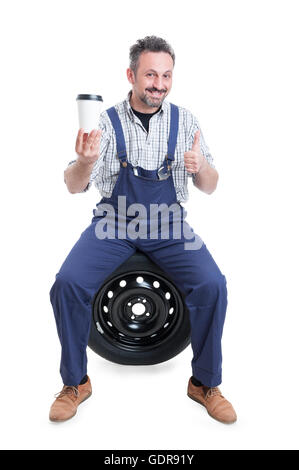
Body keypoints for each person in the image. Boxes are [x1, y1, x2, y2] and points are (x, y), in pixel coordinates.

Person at [49, 35, 237, 424]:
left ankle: (205, 383)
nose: (159, 84)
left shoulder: (186, 121)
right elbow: (73, 184)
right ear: (132, 74)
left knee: (212, 284)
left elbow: (210, 185)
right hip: (114, 223)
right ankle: (74, 383)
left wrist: (199, 165)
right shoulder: (106, 121)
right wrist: (84, 162)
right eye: (151, 74)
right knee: (68, 283)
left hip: (169, 223)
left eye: (166, 75)